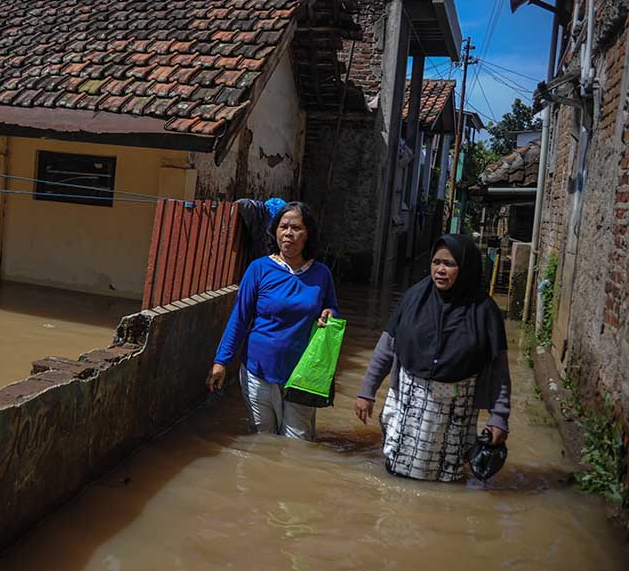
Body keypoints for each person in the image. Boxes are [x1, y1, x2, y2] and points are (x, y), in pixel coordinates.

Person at [354, 234, 511, 482]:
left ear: (466, 267)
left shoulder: (484, 311)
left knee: (447, 476)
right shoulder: (414, 299)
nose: (440, 270)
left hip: (455, 410)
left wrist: (499, 416)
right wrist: (367, 392)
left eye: (449, 264)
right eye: (436, 262)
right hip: (409, 401)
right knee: (398, 470)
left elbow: (499, 369)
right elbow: (386, 348)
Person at [206, 201, 339, 440]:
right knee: (263, 438)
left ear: (308, 234)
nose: (288, 233)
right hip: (258, 368)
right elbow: (239, 318)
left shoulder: (321, 274)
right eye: (283, 227)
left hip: (303, 373)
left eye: (296, 228)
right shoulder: (259, 269)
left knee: (298, 442)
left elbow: (332, 310)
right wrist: (221, 362)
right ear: (275, 231)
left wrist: (329, 314)